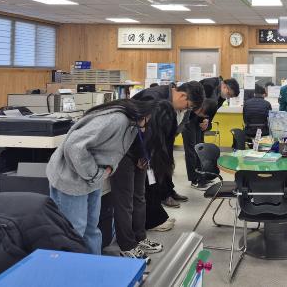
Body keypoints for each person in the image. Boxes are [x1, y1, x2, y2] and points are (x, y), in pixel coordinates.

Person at [46, 99, 177, 259]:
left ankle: (93, 266)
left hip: (91, 178)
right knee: (75, 232)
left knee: (92, 230)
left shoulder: (133, 124)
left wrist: (104, 171)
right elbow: (74, 146)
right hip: (71, 178)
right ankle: (72, 271)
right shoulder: (118, 120)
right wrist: (96, 173)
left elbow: (115, 152)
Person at [132, 82, 204, 230]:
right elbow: (138, 130)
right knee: (146, 184)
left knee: (153, 180)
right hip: (136, 148)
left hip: (150, 147)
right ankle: (151, 221)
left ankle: (155, 217)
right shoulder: (154, 98)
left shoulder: (166, 99)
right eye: (188, 106)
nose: (185, 110)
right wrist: (141, 154)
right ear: (183, 95)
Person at [182, 99, 219, 190]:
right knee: (191, 151)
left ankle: (202, 177)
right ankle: (194, 180)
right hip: (188, 121)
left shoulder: (209, 102)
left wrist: (205, 120)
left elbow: (207, 110)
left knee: (200, 149)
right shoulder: (191, 103)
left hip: (197, 120)